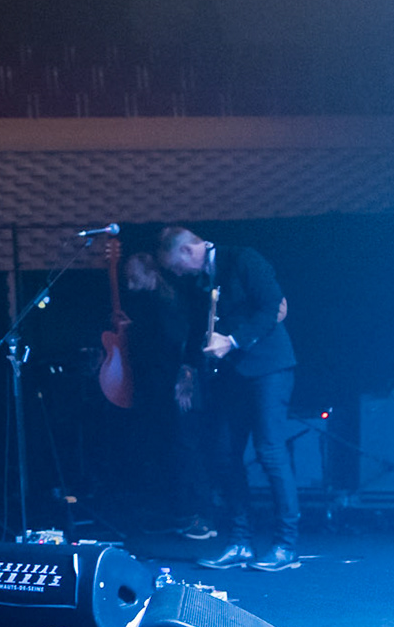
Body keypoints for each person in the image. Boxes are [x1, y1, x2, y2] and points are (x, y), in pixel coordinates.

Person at [158, 226, 301, 572]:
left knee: (269, 449)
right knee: (224, 453)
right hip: (230, 375)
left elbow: (271, 307)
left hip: (268, 368)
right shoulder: (198, 282)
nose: (177, 273)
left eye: (176, 266)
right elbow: (197, 328)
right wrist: (187, 371)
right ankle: (240, 541)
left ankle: (286, 544)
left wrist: (234, 340)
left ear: (188, 251)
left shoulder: (243, 259)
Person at [114, 249, 213, 537]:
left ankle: (198, 515)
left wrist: (185, 379)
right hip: (163, 387)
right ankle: (182, 513)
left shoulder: (168, 303)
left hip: (176, 387)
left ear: (151, 274)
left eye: (134, 279)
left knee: (185, 449)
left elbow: (176, 344)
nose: (130, 285)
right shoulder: (153, 302)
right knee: (173, 449)